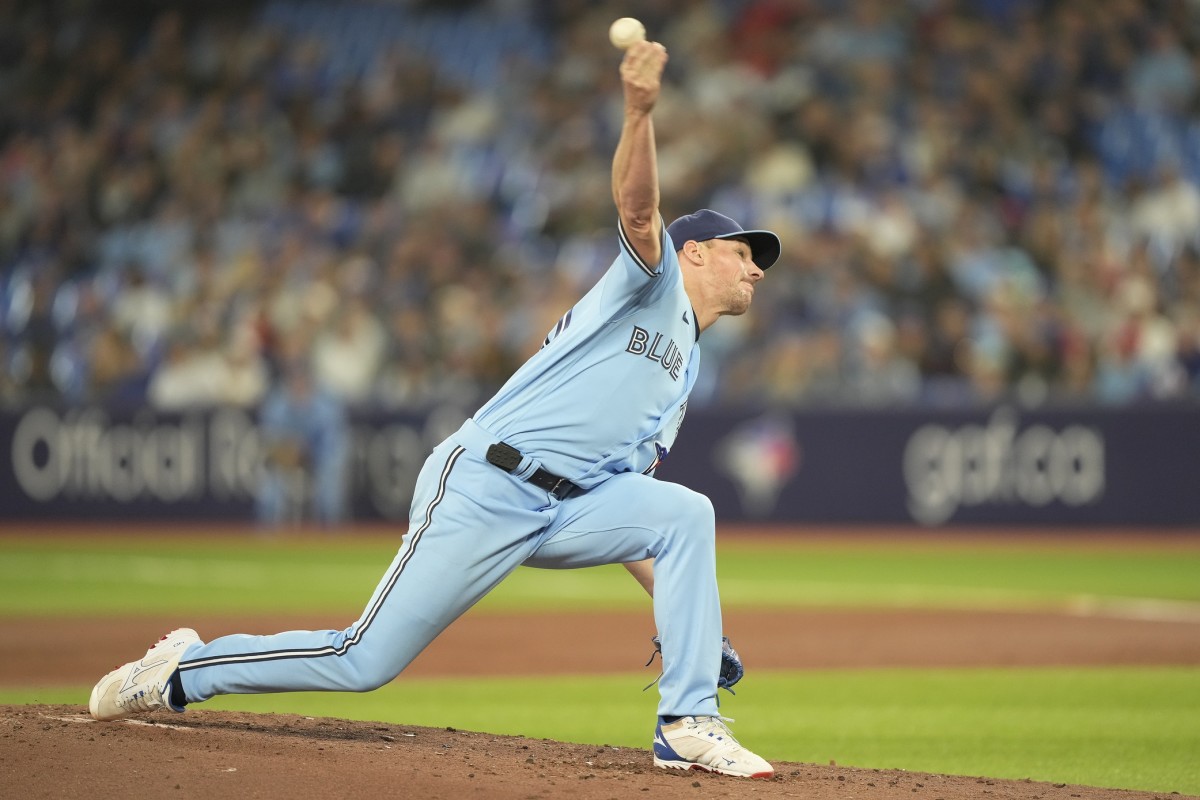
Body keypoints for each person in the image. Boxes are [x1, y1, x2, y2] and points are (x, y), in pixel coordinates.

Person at [88, 41, 780, 779]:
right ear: (696, 253)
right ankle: (184, 669)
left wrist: (689, 623)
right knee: (364, 660)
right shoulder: (652, 285)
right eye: (743, 251)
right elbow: (638, 210)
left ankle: (686, 719)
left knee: (685, 513)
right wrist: (639, 112)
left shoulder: (685, 369)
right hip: (487, 483)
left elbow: (635, 512)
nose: (756, 268)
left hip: (566, 507)